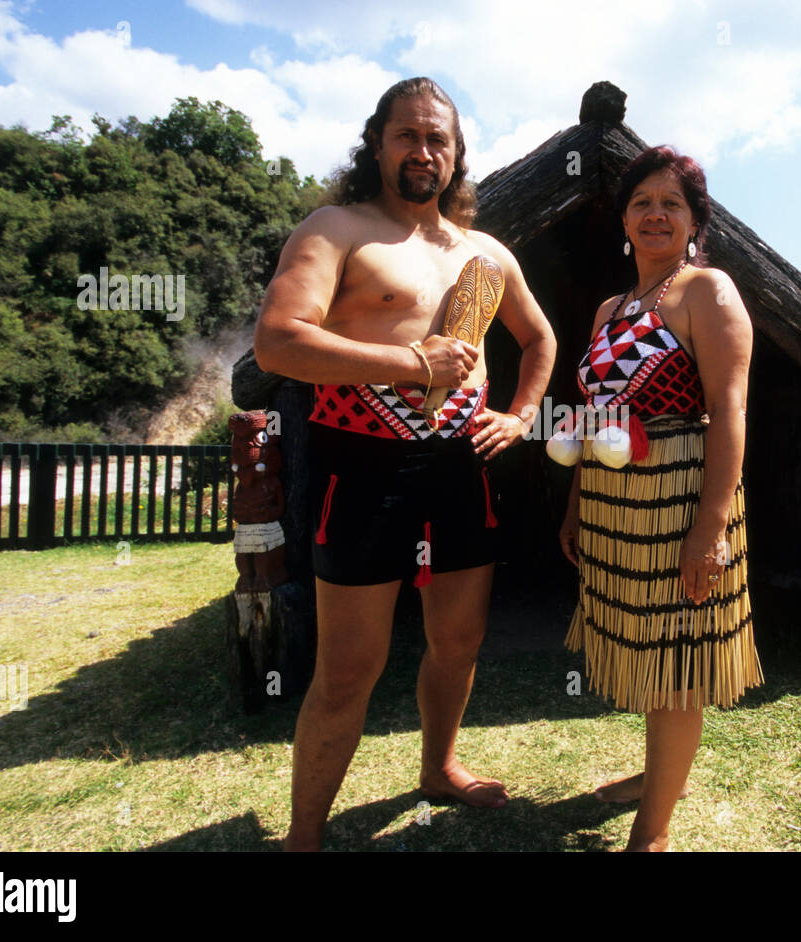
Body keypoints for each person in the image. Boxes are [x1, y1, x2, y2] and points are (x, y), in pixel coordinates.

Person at [254, 76, 557, 852]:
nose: (425, 151)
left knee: (458, 641)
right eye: (409, 135)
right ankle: (304, 837)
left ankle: (437, 768)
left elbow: (540, 340)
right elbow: (279, 342)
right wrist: (411, 363)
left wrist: (519, 417)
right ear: (378, 143)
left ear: (457, 155)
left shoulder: (486, 254)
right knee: (350, 666)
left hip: (461, 466)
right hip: (359, 467)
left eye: (439, 140)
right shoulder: (336, 228)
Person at [560, 145, 763, 852]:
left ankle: (653, 830)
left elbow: (730, 411)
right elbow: (595, 416)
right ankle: (656, 779)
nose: (654, 214)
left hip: (681, 496)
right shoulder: (610, 309)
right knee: (645, 645)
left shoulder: (707, 291)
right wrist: (577, 500)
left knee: (677, 659)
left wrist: (710, 529)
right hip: (615, 505)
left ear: (695, 222)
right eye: (641, 201)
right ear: (624, 219)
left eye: (670, 203)